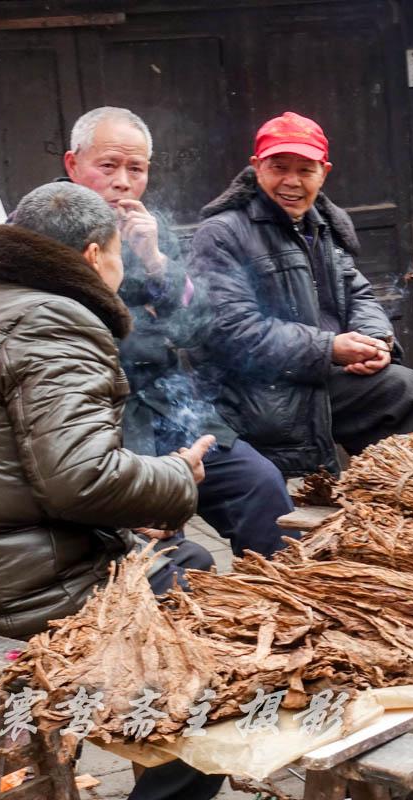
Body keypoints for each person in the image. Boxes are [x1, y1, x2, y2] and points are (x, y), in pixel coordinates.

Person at [0, 182, 225, 800]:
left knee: (172, 560)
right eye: (118, 254)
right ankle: (174, 771)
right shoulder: (54, 320)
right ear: (92, 255)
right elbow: (80, 478)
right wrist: (174, 477)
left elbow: (18, 469)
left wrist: (129, 510)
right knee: (204, 612)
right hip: (30, 596)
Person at [63, 106, 295, 556]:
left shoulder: (147, 228)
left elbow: (198, 327)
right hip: (103, 421)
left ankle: (291, 595)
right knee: (166, 541)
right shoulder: (42, 224)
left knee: (259, 484)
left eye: (137, 169)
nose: (123, 182)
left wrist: (155, 260)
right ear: (73, 165)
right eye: (107, 166)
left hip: (170, 405)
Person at [190, 111, 413, 476]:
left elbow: (358, 294)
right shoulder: (222, 234)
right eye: (279, 168)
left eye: (305, 170)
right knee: (399, 393)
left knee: (401, 390)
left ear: (324, 172)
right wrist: (329, 349)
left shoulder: (321, 226)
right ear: (256, 167)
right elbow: (233, 332)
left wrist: (376, 341)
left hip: (317, 375)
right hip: (257, 388)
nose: (291, 182)